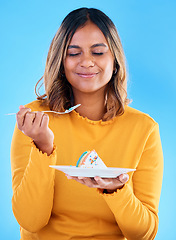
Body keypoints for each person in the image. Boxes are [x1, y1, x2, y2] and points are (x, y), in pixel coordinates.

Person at [11, 7, 163, 240]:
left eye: (98, 52)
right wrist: (43, 146)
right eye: (74, 53)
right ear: (60, 61)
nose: (87, 62)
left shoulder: (144, 129)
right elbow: (30, 220)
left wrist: (116, 190)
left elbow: (143, 234)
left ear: (115, 61)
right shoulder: (35, 121)